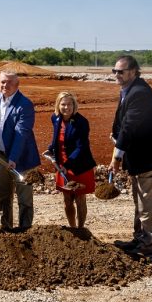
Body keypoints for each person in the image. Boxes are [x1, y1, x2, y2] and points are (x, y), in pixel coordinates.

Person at [110, 55, 152, 256]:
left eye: (120, 71)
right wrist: (116, 137)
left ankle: (147, 245)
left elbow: (130, 126)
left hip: (151, 158)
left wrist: (117, 155)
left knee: (148, 204)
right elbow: (127, 124)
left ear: (133, 71)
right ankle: (139, 239)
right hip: (142, 158)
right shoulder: (130, 90)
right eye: (114, 71)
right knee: (140, 201)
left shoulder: (139, 93)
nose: (116, 75)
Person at [0, 71, 40, 231]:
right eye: (2, 82)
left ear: (17, 84)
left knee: (24, 198)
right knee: (3, 196)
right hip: (1, 156)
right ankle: (6, 230)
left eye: (9, 82)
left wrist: (13, 158)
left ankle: (25, 232)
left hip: (22, 159)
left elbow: (21, 133)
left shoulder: (25, 104)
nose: (5, 85)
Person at [46, 91, 96, 229]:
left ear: (74, 106)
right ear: (58, 105)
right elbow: (57, 137)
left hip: (80, 165)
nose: (66, 107)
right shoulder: (55, 118)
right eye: (63, 104)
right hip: (62, 165)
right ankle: (73, 228)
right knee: (67, 200)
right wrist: (51, 148)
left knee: (80, 198)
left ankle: (81, 229)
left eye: (69, 104)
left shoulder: (82, 122)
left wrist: (67, 165)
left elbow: (81, 146)